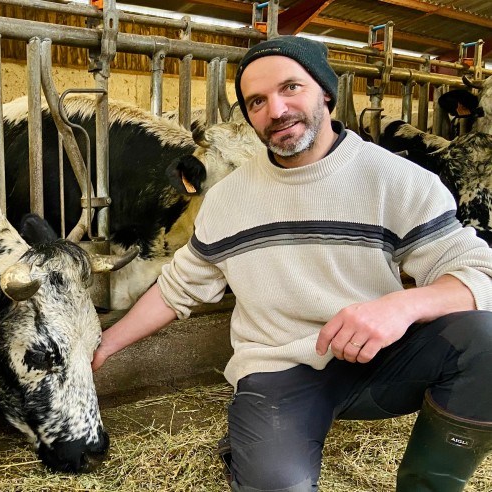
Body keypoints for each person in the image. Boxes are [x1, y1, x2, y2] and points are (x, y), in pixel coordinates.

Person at [92, 35, 492, 491]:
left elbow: (480, 273)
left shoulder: (396, 179)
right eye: (256, 101)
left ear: (325, 91)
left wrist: (403, 306)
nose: (276, 110)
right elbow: (177, 289)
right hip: (279, 372)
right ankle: (253, 443)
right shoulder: (227, 199)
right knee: (277, 484)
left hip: (381, 361)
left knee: (485, 339)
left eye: (290, 88)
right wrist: (104, 345)